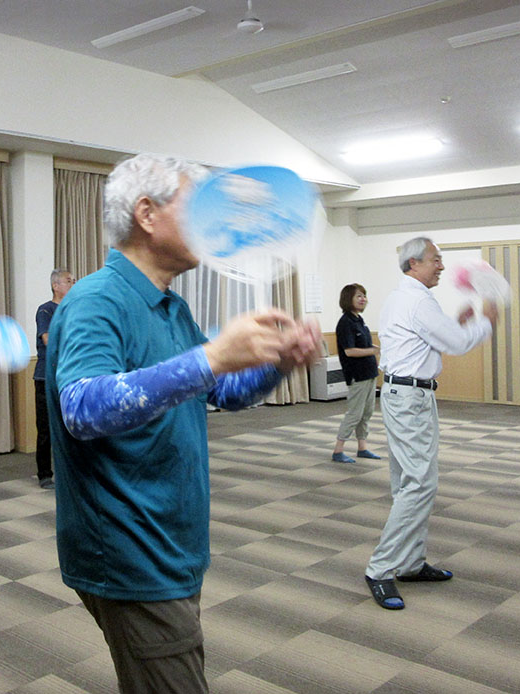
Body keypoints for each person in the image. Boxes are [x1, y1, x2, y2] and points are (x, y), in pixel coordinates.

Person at [45, 153, 321, 693]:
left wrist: (278, 363)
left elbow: (222, 393)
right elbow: (82, 408)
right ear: (147, 214)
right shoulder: (96, 299)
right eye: (198, 209)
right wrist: (213, 356)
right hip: (129, 549)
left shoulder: (171, 307)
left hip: (170, 540)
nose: (212, 226)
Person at [364, 237, 497, 610]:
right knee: (420, 483)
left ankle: (410, 563)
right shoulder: (417, 300)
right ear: (413, 264)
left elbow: (425, 341)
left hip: (407, 396)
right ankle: (380, 569)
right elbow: (456, 344)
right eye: (435, 260)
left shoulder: (406, 298)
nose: (441, 266)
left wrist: (457, 324)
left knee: (409, 482)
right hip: (409, 399)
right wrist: (486, 322)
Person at [33, 268, 75, 489]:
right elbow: (48, 340)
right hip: (46, 377)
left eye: (74, 280)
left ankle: (68, 472)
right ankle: (44, 474)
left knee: (70, 427)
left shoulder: (74, 309)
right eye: (69, 281)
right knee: (46, 428)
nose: (73, 284)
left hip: (68, 376)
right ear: (55, 286)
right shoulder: (46, 310)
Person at [331, 283, 381, 463]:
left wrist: (374, 348)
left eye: (364, 296)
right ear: (348, 299)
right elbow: (350, 351)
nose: (363, 299)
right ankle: (338, 450)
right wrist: (373, 351)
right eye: (358, 296)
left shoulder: (359, 320)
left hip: (369, 373)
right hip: (357, 375)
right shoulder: (345, 323)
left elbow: (363, 345)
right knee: (354, 414)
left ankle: (362, 447)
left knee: (366, 413)